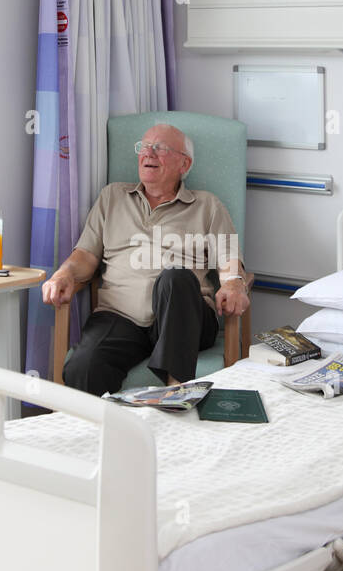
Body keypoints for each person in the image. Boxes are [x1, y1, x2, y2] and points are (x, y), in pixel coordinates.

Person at [41, 124, 249, 395]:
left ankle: (176, 393)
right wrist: (64, 274)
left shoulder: (207, 205)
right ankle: (107, 435)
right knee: (84, 367)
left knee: (175, 276)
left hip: (186, 319)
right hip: (119, 316)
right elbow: (85, 255)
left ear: (184, 164)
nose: (147, 153)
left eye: (159, 148)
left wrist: (233, 283)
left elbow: (229, 257)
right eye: (144, 146)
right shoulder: (112, 197)